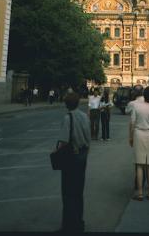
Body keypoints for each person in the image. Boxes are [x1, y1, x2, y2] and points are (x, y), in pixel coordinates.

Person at [57, 92, 90, 233]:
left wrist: (56, 152)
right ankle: (79, 223)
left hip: (71, 157)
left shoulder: (68, 118)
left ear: (66, 104)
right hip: (82, 156)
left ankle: (68, 226)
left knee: (68, 193)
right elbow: (88, 138)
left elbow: (64, 142)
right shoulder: (84, 116)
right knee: (78, 192)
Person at [129, 86, 149, 201]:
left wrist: (130, 137)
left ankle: (140, 193)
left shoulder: (136, 107)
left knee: (139, 165)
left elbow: (132, 123)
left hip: (138, 134)